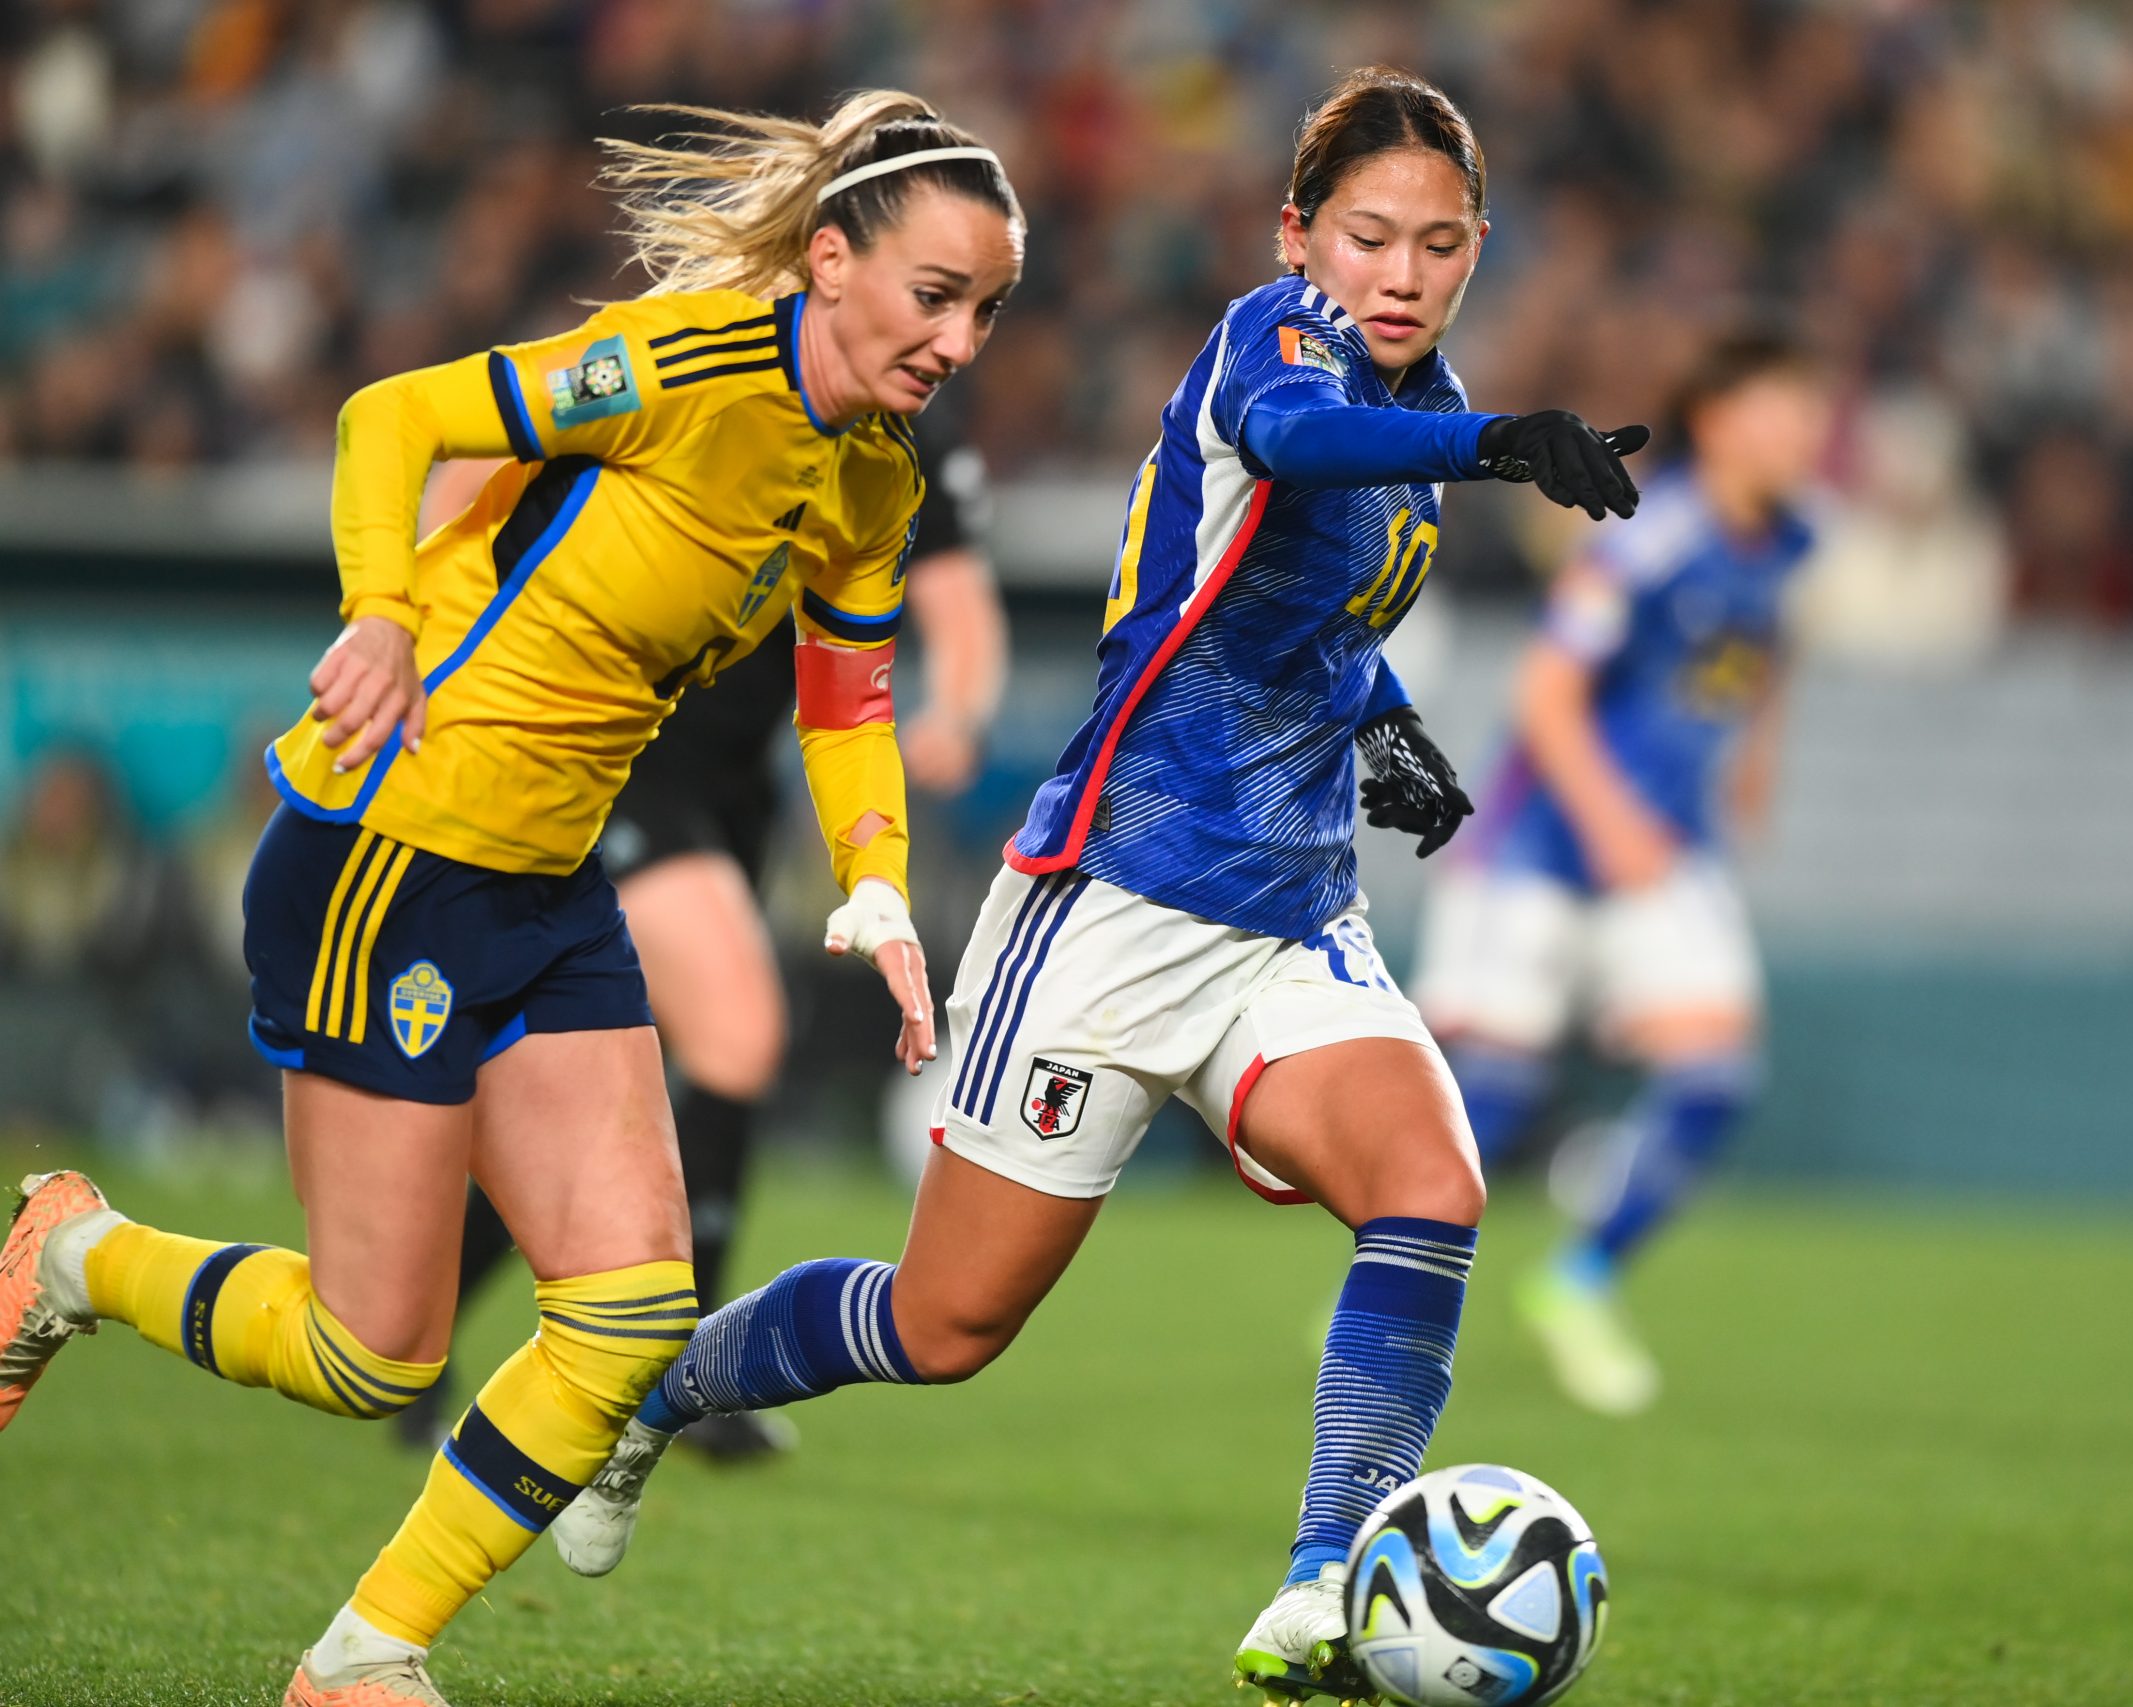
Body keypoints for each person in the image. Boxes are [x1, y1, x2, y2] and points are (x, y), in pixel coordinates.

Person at [542, 66, 1648, 1705]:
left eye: (1440, 243)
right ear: (1297, 232)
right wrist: (1495, 446)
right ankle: (657, 1392)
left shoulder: (1424, 406)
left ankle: (1324, 1582)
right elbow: (1289, 447)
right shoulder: (1273, 346)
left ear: (1478, 247)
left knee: (1432, 1187)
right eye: (1368, 236)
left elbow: (1297, 613)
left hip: (1292, 914)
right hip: (1113, 904)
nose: (1402, 273)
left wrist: (1382, 718)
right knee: (942, 1325)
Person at [0, 92, 1020, 1707]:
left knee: (629, 1311)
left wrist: (878, 883)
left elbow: (847, 698)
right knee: (368, 1352)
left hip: (551, 882)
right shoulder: (684, 364)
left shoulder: (873, 480)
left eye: (989, 309)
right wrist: (382, 611)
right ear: (831, 260)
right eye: (937, 294)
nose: (960, 340)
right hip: (393, 850)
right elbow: (391, 417)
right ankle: (72, 1254)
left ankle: (363, 1655)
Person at [399, 406, 1007, 1462]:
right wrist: (414, 621)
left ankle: (412, 1327)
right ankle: (684, 1385)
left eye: (970, 325)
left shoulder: (909, 436)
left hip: (730, 794)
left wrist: (954, 713)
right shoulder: (711, 361)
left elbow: (958, 607)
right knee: (737, 1032)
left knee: (608, 1096)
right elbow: (478, 444)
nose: (947, 343)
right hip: (611, 757)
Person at [1413, 327, 1828, 1416]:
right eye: (1781, 411)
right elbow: (1544, 692)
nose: (1803, 433)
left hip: (1661, 849)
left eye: (1809, 413)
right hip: (1537, 851)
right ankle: (1393, 1296)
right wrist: (1609, 822)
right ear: (1718, 421)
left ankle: (1579, 1279)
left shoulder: (1790, 538)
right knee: (1490, 1102)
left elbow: (1767, 641)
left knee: (1713, 1082)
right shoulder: (1649, 537)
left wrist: (1758, 752)